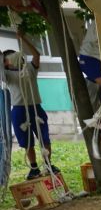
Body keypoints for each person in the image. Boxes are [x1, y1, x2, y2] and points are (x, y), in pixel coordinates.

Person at [2, 31, 59, 181]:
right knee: (27, 142)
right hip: (19, 110)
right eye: (8, 59)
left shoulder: (30, 70)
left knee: (44, 138)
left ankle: (48, 164)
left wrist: (24, 39)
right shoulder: (6, 76)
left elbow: (37, 55)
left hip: (36, 107)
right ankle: (34, 168)